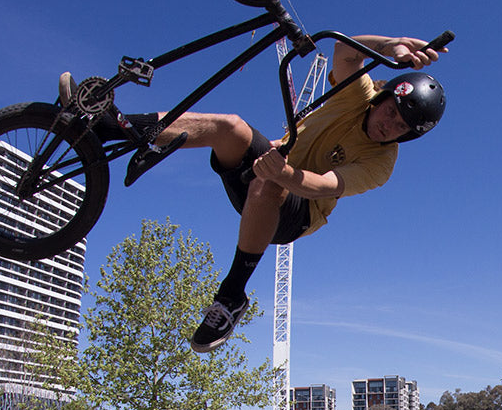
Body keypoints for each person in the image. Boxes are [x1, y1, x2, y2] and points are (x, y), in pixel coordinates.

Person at [61, 34, 447, 353]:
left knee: (271, 180)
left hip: (298, 213)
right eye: (391, 112)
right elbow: (345, 51)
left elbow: (325, 185)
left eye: (400, 127)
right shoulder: (355, 96)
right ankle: (106, 127)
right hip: (271, 171)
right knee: (230, 127)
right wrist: (391, 45)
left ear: (407, 137)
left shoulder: (382, 163)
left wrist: (283, 171)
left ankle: (232, 294)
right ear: (382, 99)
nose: (389, 126)